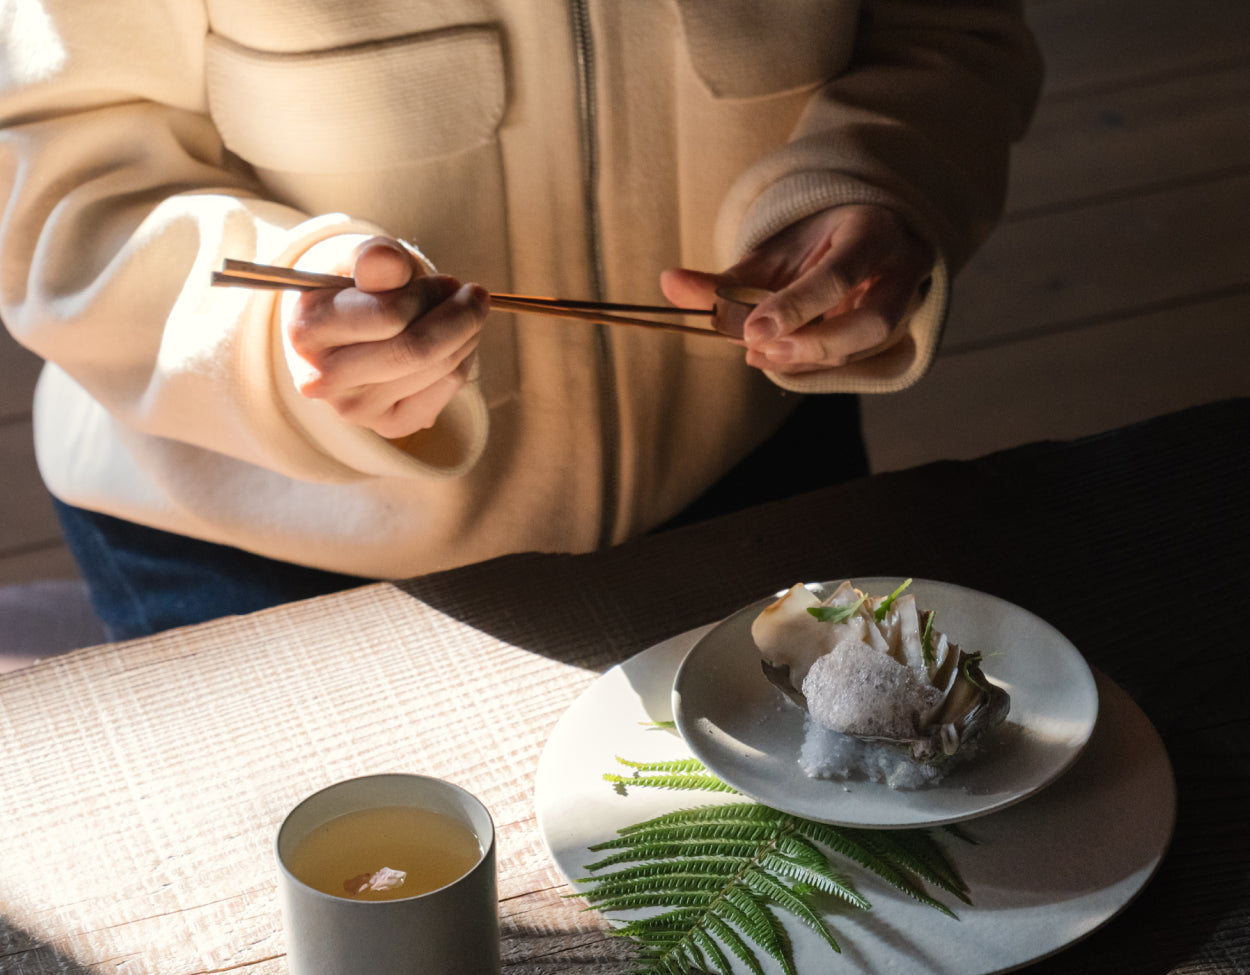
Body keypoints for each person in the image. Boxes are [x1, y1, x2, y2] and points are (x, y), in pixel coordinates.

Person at [0, 3, 1042, 639]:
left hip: (750, 453)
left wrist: (879, 180)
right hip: (260, 531)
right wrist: (283, 349)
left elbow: (942, 30)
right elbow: (61, 184)